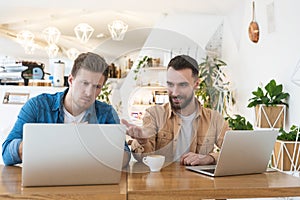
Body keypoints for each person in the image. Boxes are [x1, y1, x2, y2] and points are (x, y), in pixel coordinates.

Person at [2, 52, 131, 167]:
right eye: (84, 83)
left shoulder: (106, 113)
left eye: (97, 86)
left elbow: (125, 156)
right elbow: (6, 153)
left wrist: (96, 142)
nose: (89, 93)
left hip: (89, 185)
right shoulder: (37, 106)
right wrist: (51, 139)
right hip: (45, 183)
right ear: (71, 80)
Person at [122, 54, 230, 166]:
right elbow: (142, 158)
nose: (175, 92)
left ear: (196, 84)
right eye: (170, 84)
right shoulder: (154, 114)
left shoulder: (214, 119)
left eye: (182, 85)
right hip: (163, 182)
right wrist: (142, 142)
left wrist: (209, 158)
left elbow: (234, 152)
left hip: (200, 183)